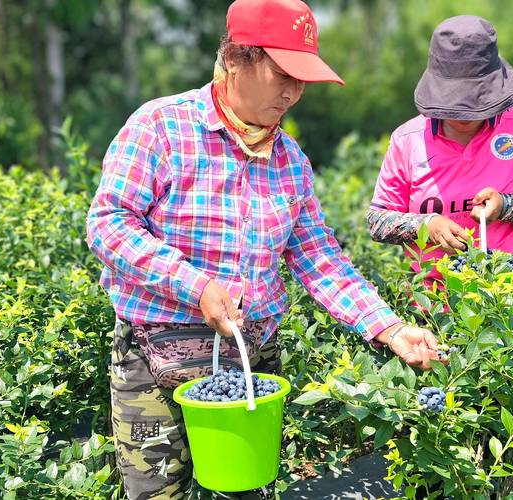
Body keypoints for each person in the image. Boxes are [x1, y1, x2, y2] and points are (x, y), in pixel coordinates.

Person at [86, 1, 441, 498]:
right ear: (236, 60)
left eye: (302, 80)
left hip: (251, 359)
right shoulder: (161, 128)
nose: (293, 93)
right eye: (283, 75)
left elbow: (319, 258)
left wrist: (390, 328)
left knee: (245, 489)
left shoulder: (289, 159)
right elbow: (109, 224)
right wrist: (197, 286)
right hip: (155, 357)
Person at [368, 15, 513, 283]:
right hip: (432, 306)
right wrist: (426, 225)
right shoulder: (407, 140)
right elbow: (378, 220)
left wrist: (506, 205)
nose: (464, 115)